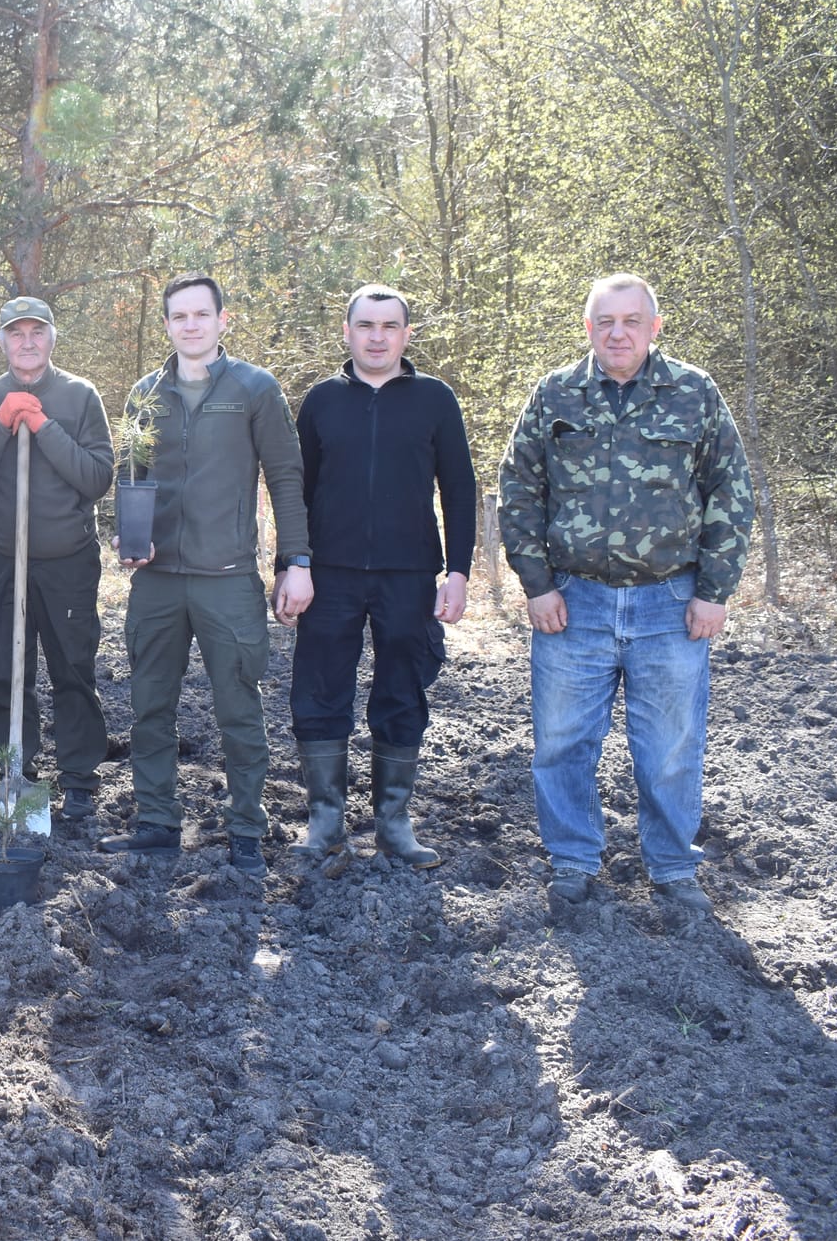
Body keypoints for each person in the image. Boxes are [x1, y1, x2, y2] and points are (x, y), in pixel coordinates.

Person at [499, 272, 753, 914]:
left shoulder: (695, 392)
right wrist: (536, 585)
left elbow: (729, 490)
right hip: (573, 603)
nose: (618, 333)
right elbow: (519, 489)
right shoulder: (555, 393)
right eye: (605, 321)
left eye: (631, 321)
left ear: (654, 327)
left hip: (670, 604)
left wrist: (715, 590)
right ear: (589, 328)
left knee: (670, 748)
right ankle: (572, 861)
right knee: (562, 743)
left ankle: (671, 868)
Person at [97, 273, 311, 872]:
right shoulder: (145, 394)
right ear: (167, 324)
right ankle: (156, 821)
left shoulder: (255, 389)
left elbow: (286, 477)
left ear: (222, 320)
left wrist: (296, 561)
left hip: (229, 579)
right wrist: (127, 536)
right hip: (157, 579)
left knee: (239, 708)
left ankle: (246, 829)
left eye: (201, 314)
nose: (190, 325)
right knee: (149, 705)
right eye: (179, 316)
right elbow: (131, 476)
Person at [291, 284, 476, 870]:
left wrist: (459, 571)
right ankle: (325, 822)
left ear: (406, 334)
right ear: (347, 332)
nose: (377, 337)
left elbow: (460, 488)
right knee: (321, 691)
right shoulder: (321, 401)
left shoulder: (435, 399)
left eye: (389, 326)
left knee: (402, 692)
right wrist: (291, 564)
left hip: (409, 573)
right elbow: (296, 491)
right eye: (366, 326)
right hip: (330, 573)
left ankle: (394, 824)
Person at [0, 296, 114, 822]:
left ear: (53, 338)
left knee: (73, 667)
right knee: (6, 669)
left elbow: (96, 478)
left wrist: (43, 426)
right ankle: (16, 770)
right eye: (16, 333)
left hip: (67, 560)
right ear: (2, 341)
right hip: (2, 557)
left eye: (37, 332)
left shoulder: (79, 395)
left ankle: (79, 777)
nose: (27, 342)